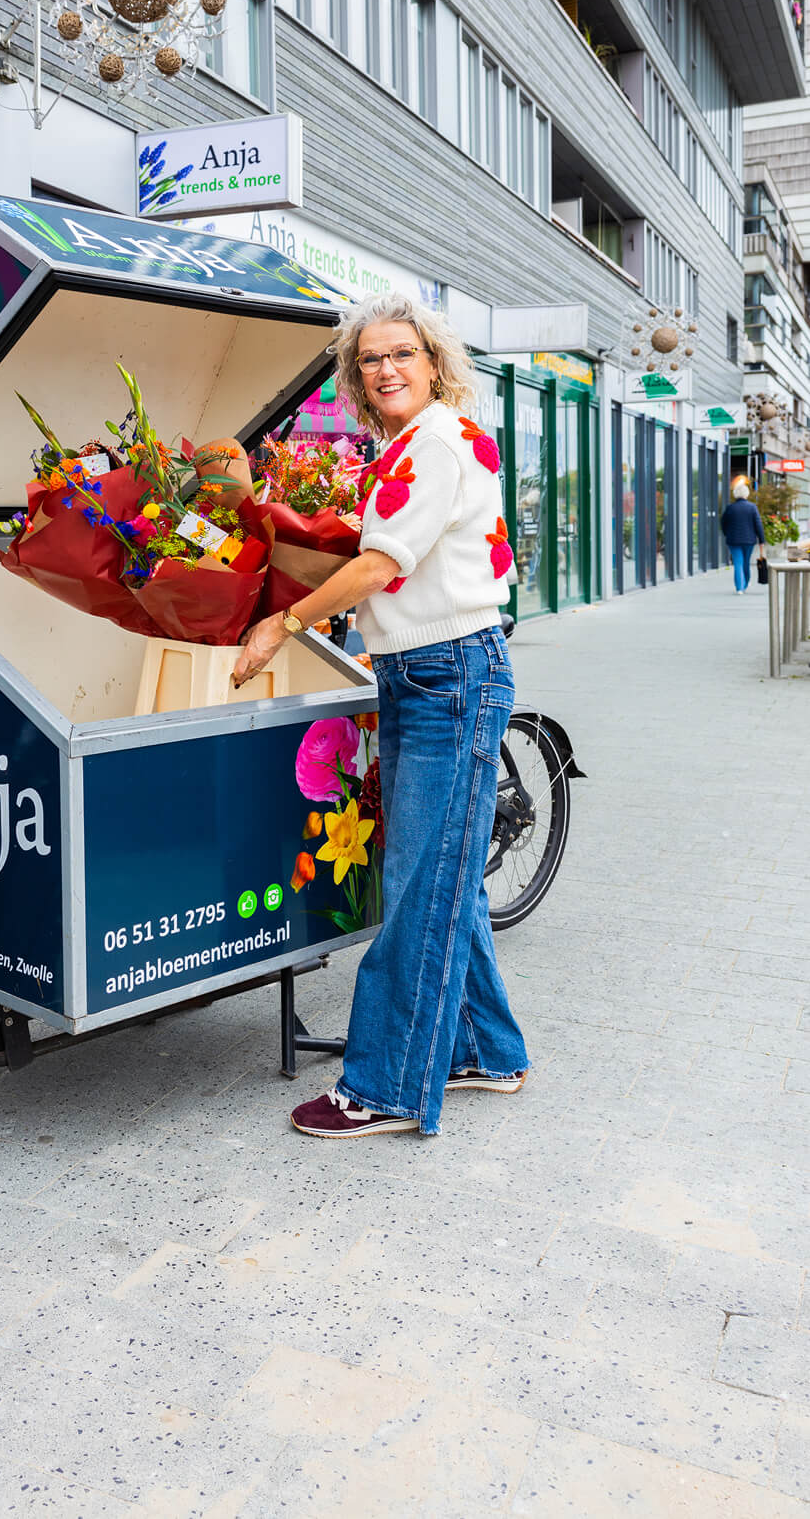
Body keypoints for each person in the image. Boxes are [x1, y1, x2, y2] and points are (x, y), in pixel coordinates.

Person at [233, 292, 528, 1139]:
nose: (386, 368)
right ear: (355, 378)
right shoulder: (407, 444)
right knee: (447, 878)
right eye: (370, 359)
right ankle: (487, 1050)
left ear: (434, 361)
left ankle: (388, 1085)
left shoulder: (434, 444)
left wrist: (283, 620)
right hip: (424, 672)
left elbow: (380, 564)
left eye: (402, 353)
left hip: (448, 675)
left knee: (414, 889)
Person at [720, 479, 766, 593]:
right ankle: (745, 582)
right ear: (746, 494)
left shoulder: (730, 508)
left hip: (733, 540)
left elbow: (723, 523)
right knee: (746, 561)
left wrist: (727, 534)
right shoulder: (752, 507)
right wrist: (761, 540)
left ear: (735, 494)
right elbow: (758, 524)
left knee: (738, 562)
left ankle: (739, 588)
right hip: (749, 540)